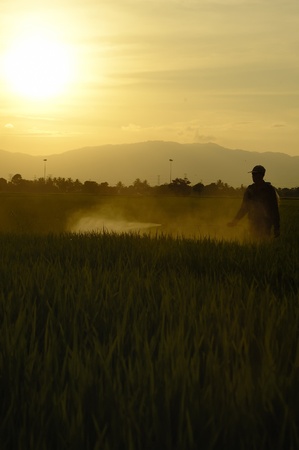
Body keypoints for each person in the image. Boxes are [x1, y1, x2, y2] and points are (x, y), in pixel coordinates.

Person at [228, 165, 280, 239]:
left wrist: (276, 227)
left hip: (265, 223)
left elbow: (274, 209)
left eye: (255, 174)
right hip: (253, 222)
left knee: (263, 243)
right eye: (252, 174)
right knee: (253, 242)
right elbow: (244, 208)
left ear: (262, 175)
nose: (253, 176)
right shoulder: (250, 189)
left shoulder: (269, 190)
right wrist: (235, 221)